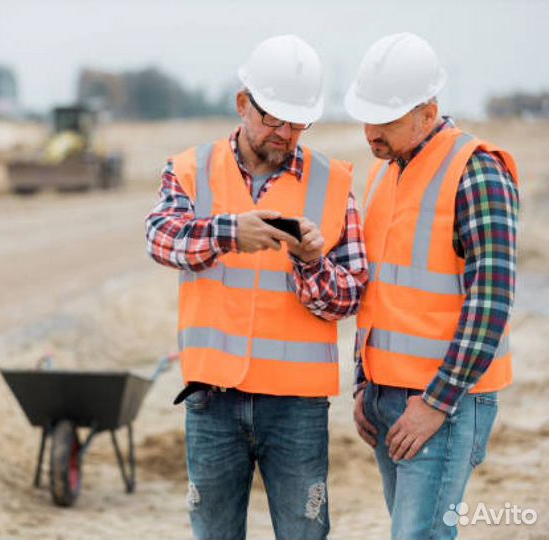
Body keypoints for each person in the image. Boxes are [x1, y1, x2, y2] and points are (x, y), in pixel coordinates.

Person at [145, 34, 368, 540]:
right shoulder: (190, 170)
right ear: (243, 103)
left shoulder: (333, 183)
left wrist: (311, 263)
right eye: (272, 117)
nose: (285, 133)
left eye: (297, 122)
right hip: (212, 398)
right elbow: (159, 239)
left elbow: (351, 295)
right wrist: (229, 232)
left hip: (296, 406)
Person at [344, 33, 519, 540]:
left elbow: (491, 300)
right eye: (366, 116)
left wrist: (436, 402)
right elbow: (382, 292)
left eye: (386, 120)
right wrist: (364, 383)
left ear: (428, 112)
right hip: (388, 399)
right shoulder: (387, 172)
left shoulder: (476, 171)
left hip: (445, 401)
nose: (371, 132)